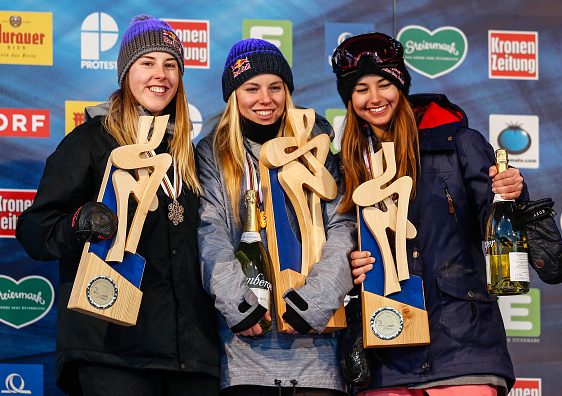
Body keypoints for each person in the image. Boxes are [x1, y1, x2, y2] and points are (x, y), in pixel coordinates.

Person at [16, 15, 219, 396]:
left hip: (190, 356)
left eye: (170, 65)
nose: (161, 75)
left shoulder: (187, 155)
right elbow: (33, 230)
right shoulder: (91, 141)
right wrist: (78, 222)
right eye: (147, 63)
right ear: (126, 73)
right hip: (111, 350)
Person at [330, 32, 528, 396]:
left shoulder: (459, 143)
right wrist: (350, 261)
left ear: (401, 85)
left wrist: (512, 191)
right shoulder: (347, 163)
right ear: (349, 98)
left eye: (384, 84)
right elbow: (336, 236)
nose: (374, 98)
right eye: (361, 88)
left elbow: (496, 219)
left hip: (461, 345)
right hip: (384, 353)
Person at [197, 38, 357, 395]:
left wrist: (312, 303)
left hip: (318, 355)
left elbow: (344, 228)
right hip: (244, 357)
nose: (265, 99)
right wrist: (241, 306)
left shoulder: (316, 149)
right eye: (251, 88)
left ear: (288, 92)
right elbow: (211, 236)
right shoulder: (214, 154)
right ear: (233, 95)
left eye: (275, 87)